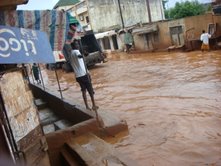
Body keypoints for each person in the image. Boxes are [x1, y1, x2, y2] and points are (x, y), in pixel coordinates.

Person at [70, 40, 98, 111]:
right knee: (90, 90)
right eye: (76, 44)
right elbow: (79, 56)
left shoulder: (71, 53)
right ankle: (93, 105)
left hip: (78, 76)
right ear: (74, 46)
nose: (78, 46)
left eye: (78, 44)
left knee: (83, 91)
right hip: (83, 75)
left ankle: (87, 106)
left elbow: (81, 63)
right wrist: (84, 54)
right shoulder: (76, 52)